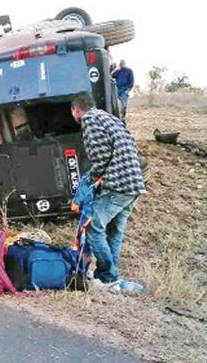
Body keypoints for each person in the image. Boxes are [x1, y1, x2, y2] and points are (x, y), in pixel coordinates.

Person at [70, 92, 146, 292]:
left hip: (117, 185)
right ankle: (109, 281)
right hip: (134, 184)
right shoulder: (109, 118)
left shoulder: (89, 120)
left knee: (93, 226)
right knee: (114, 231)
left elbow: (101, 157)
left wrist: (91, 179)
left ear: (76, 110)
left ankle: (106, 277)